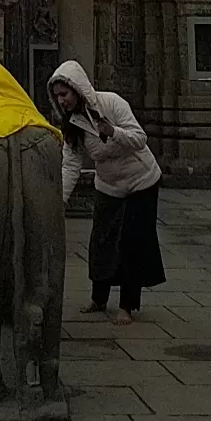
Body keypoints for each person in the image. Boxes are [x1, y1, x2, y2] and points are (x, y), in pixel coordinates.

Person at [48, 60, 165, 325]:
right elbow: (71, 164)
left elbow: (139, 138)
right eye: (57, 96)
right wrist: (59, 202)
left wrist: (112, 131)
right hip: (109, 184)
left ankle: (126, 305)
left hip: (141, 179)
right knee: (101, 240)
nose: (61, 100)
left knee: (132, 242)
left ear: (77, 89)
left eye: (64, 94)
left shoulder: (111, 103)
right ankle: (98, 298)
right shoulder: (73, 123)